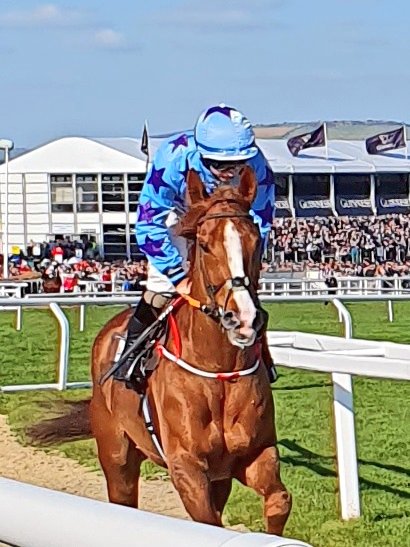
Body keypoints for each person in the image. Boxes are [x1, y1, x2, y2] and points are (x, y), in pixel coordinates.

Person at [114, 104, 277, 384]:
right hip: (179, 214)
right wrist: (178, 276)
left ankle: (262, 357)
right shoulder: (173, 157)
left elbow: (260, 224)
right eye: (221, 164)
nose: (230, 171)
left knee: (243, 293)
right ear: (202, 153)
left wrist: (247, 269)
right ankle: (130, 354)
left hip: (230, 219)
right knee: (159, 288)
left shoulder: (258, 167)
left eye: (238, 164)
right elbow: (148, 224)